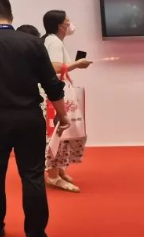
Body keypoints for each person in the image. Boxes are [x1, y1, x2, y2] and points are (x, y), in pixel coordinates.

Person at [0, 0, 69, 237]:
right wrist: (62, 114)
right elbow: (52, 83)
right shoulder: (33, 42)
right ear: (11, 17)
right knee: (33, 174)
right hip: (29, 116)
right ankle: (36, 231)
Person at [41, 10, 92, 193]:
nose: (70, 24)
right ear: (60, 25)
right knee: (59, 132)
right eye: (67, 21)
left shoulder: (53, 41)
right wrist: (77, 64)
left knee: (64, 133)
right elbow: (54, 67)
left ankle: (59, 169)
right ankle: (53, 175)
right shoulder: (53, 41)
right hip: (55, 94)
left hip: (59, 92)